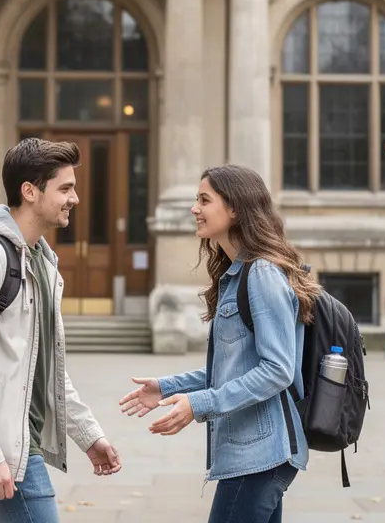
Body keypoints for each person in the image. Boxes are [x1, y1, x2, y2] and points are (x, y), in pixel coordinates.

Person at [0, 138, 121, 523]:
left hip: (6, 443)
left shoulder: (41, 262)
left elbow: (47, 369)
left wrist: (88, 435)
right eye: (65, 188)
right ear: (30, 191)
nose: (75, 199)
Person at [118, 164, 320, 523]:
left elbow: (278, 370)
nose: (194, 208)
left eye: (204, 200)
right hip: (255, 454)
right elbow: (233, 367)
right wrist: (167, 387)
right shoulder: (238, 274)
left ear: (235, 208)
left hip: (261, 455)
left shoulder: (261, 273)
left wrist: (199, 405)